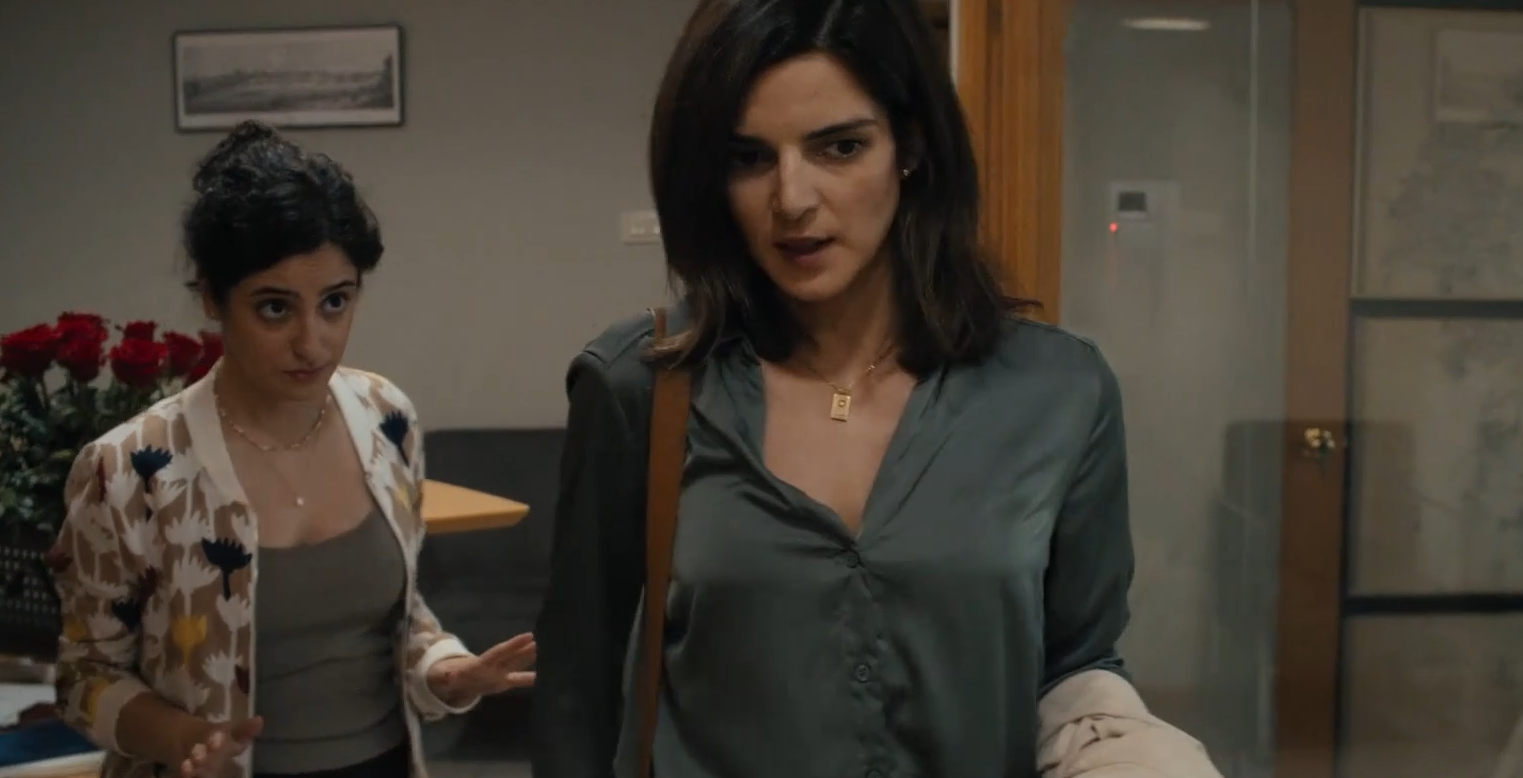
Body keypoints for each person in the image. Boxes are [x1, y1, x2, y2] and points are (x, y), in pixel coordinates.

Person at [531, 1, 1221, 777]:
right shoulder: (638, 384)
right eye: (748, 157)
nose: (792, 198)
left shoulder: (1057, 391)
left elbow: (1076, 663)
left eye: (839, 147)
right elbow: (575, 697)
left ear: (911, 146)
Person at [49, 121, 536, 778]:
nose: (313, 342)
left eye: (335, 302)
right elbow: (84, 676)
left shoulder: (387, 418)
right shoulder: (130, 469)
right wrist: (182, 736)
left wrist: (445, 669)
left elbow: (400, 612)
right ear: (213, 298)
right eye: (275, 309)